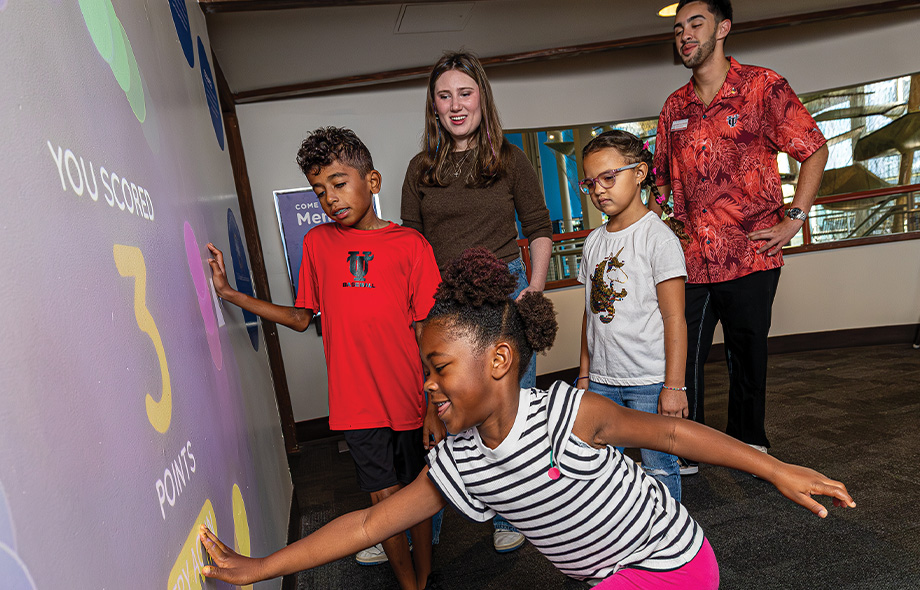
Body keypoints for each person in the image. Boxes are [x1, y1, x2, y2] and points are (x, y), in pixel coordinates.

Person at [196, 247, 855, 589]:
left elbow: (675, 433)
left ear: (502, 360)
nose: (427, 385)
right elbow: (369, 521)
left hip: (669, 562)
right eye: (425, 370)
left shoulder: (569, 415)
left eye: (440, 367)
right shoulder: (456, 462)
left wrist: (772, 468)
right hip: (605, 572)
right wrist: (261, 567)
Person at [207, 126, 440, 590]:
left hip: (412, 396)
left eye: (338, 183)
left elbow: (428, 333)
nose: (330, 198)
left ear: (371, 181)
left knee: (418, 494)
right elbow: (300, 317)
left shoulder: (411, 245)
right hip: (355, 402)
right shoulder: (316, 243)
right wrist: (231, 294)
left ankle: (427, 575)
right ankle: (408, 584)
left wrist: (435, 404)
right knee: (382, 500)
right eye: (319, 190)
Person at [652, 0, 829, 474]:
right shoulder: (675, 106)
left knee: (746, 354)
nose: (685, 35)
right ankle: (689, 445)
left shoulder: (762, 87)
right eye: (678, 30)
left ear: (723, 28)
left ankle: (750, 442)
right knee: (682, 353)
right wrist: (659, 227)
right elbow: (660, 184)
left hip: (750, 255)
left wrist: (796, 216)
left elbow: (814, 148)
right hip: (689, 259)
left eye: (696, 24)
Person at [401, 49, 553, 553]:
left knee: (512, 409)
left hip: (505, 287)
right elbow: (411, 246)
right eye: (445, 96)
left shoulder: (509, 159)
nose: (456, 104)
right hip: (444, 297)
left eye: (465, 93)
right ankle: (426, 524)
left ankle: (517, 514)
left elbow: (537, 229)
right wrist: (419, 313)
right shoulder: (420, 169)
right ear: (434, 107)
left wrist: (534, 287)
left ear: (482, 98)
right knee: (445, 407)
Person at [576, 130, 687, 501]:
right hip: (603, 382)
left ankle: (668, 544)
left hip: (650, 382)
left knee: (658, 468)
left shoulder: (658, 238)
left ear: (639, 173)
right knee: (604, 474)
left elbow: (675, 319)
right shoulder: (593, 242)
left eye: (609, 178)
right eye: (591, 183)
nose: (599, 190)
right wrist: (584, 375)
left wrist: (674, 387)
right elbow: (590, 317)